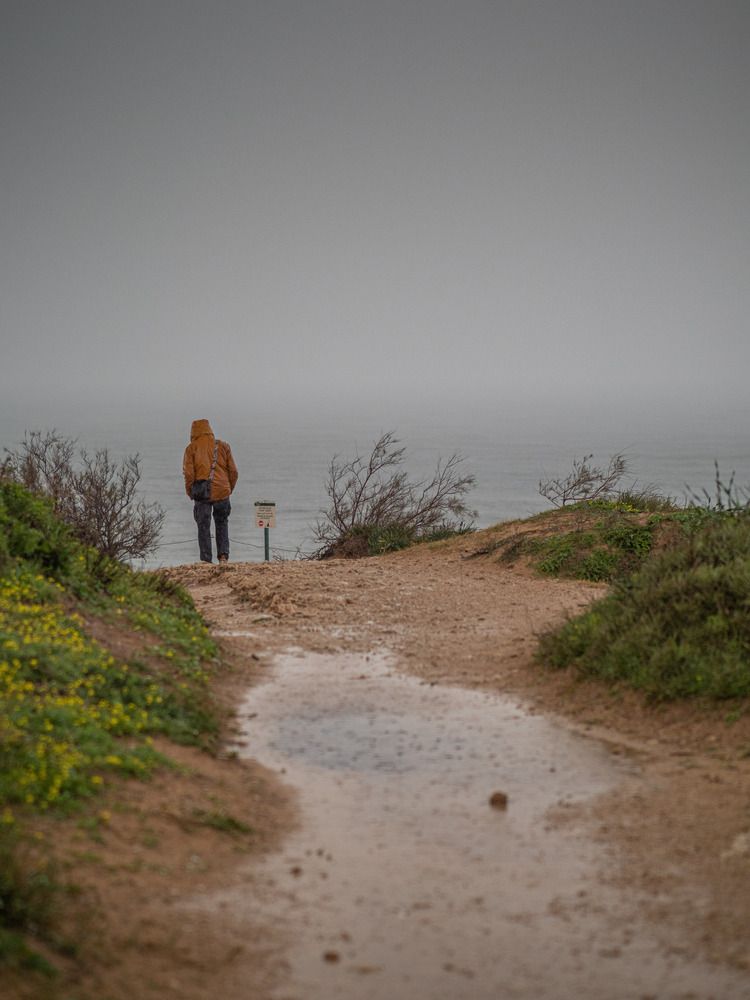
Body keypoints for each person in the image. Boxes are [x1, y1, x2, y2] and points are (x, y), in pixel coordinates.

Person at [183, 419, 238, 564]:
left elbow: (189, 474)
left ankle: (206, 560)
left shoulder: (191, 449)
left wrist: (190, 491)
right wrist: (228, 488)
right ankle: (223, 556)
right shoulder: (223, 446)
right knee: (222, 522)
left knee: (203, 526)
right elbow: (233, 471)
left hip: (202, 494)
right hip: (222, 491)